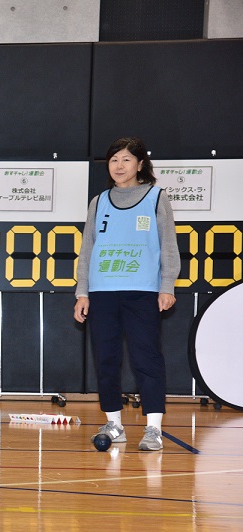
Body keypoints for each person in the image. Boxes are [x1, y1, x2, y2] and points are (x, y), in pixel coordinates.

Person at [74, 137, 179, 452]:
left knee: (146, 358)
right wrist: (83, 292)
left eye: (126, 160)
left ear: (140, 164)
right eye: (114, 160)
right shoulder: (99, 201)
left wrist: (167, 285)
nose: (119, 166)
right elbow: (87, 248)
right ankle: (114, 423)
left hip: (142, 292)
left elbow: (168, 245)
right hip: (102, 292)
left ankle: (153, 429)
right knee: (106, 359)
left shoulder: (156, 198)